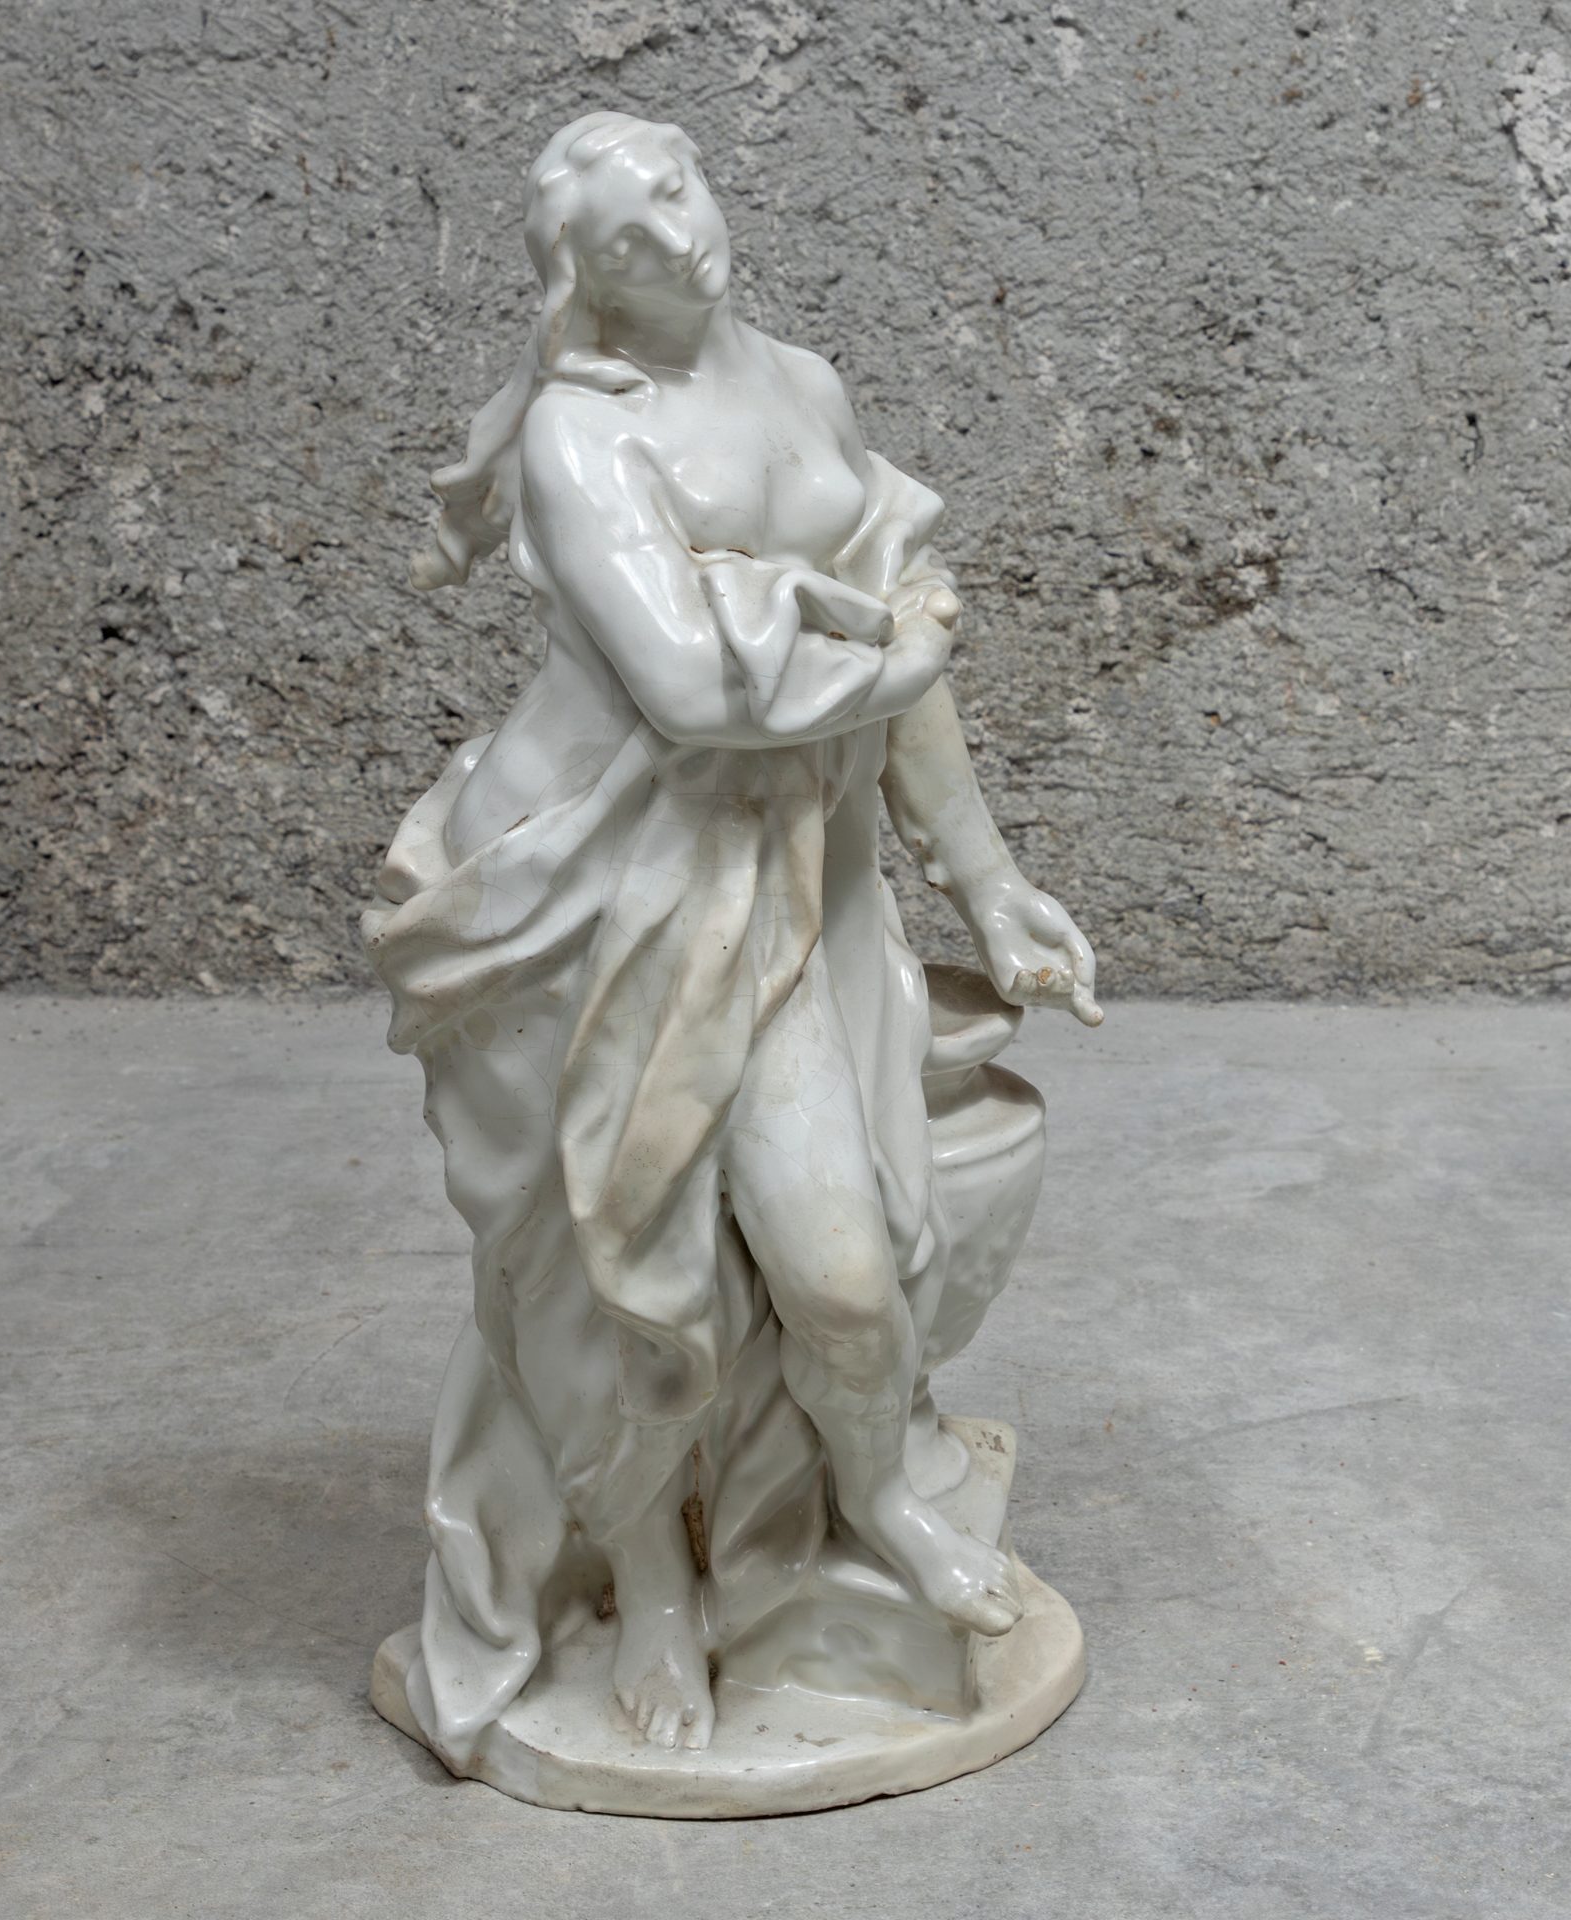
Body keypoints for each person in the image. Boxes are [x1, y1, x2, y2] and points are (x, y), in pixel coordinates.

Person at [365, 111, 1100, 1757]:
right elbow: (699, 690)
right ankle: (652, 1589)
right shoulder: (580, 434)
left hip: (781, 881)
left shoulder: (803, 382)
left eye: (680, 193)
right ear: (582, 280)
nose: (680, 241)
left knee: (841, 1278)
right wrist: (896, 649)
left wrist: (985, 878)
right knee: (625, 1275)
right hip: (596, 891)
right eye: (629, 238)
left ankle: (878, 1496)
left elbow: (890, 646)